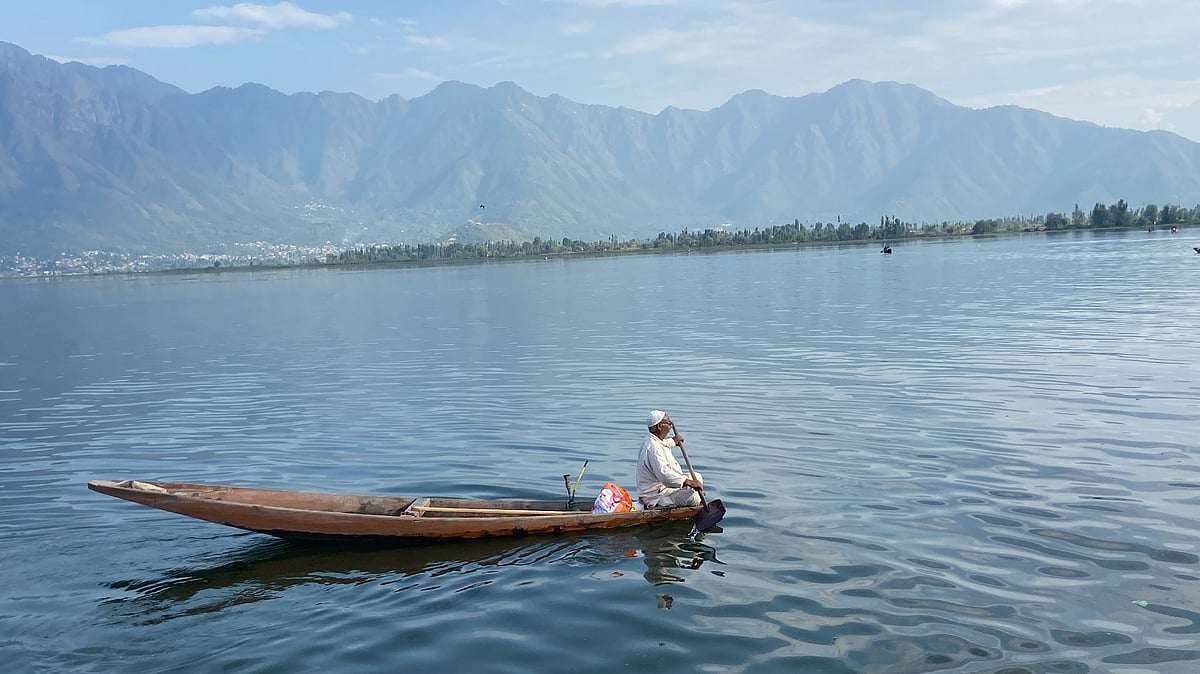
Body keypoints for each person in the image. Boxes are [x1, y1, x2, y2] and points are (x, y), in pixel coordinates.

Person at [637, 410, 704, 508]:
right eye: (668, 423)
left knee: (697, 477)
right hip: (656, 494)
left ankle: (690, 495)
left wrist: (673, 441)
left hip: (665, 488)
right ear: (660, 427)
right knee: (694, 497)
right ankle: (665, 504)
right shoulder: (653, 448)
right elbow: (664, 475)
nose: (671, 426)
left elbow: (663, 444)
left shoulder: (654, 441)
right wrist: (686, 482)